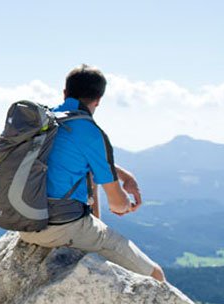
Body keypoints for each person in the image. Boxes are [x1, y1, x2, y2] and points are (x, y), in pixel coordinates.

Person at [17, 64, 166, 282]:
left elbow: (69, 161)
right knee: (155, 274)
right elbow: (117, 204)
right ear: (98, 100)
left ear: (65, 93)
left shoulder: (45, 122)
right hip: (60, 229)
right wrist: (128, 204)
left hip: (24, 222)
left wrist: (125, 176)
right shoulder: (90, 132)